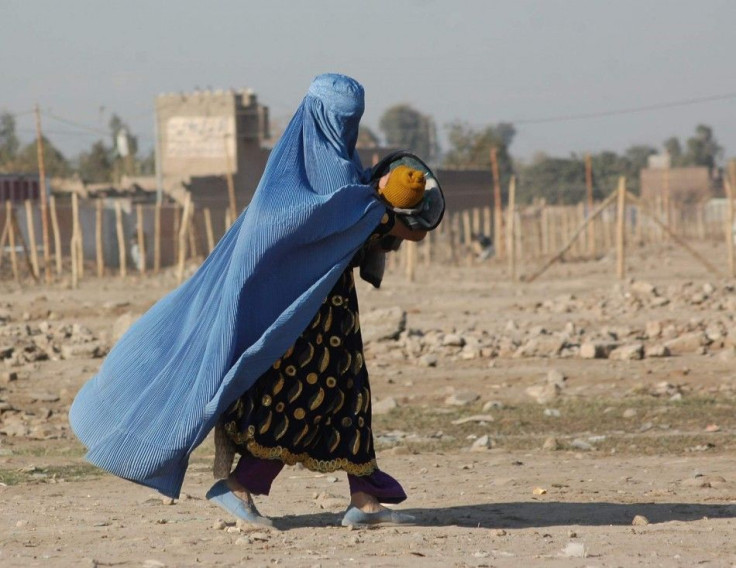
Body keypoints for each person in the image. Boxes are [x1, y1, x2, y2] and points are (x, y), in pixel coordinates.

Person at [69, 73, 427, 528]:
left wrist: (379, 202)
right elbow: (374, 226)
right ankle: (239, 485)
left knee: (348, 402)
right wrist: (395, 206)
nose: (345, 127)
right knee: (292, 405)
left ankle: (366, 499)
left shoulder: (311, 174)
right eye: (341, 119)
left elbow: (353, 231)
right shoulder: (331, 185)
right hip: (293, 323)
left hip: (330, 321)